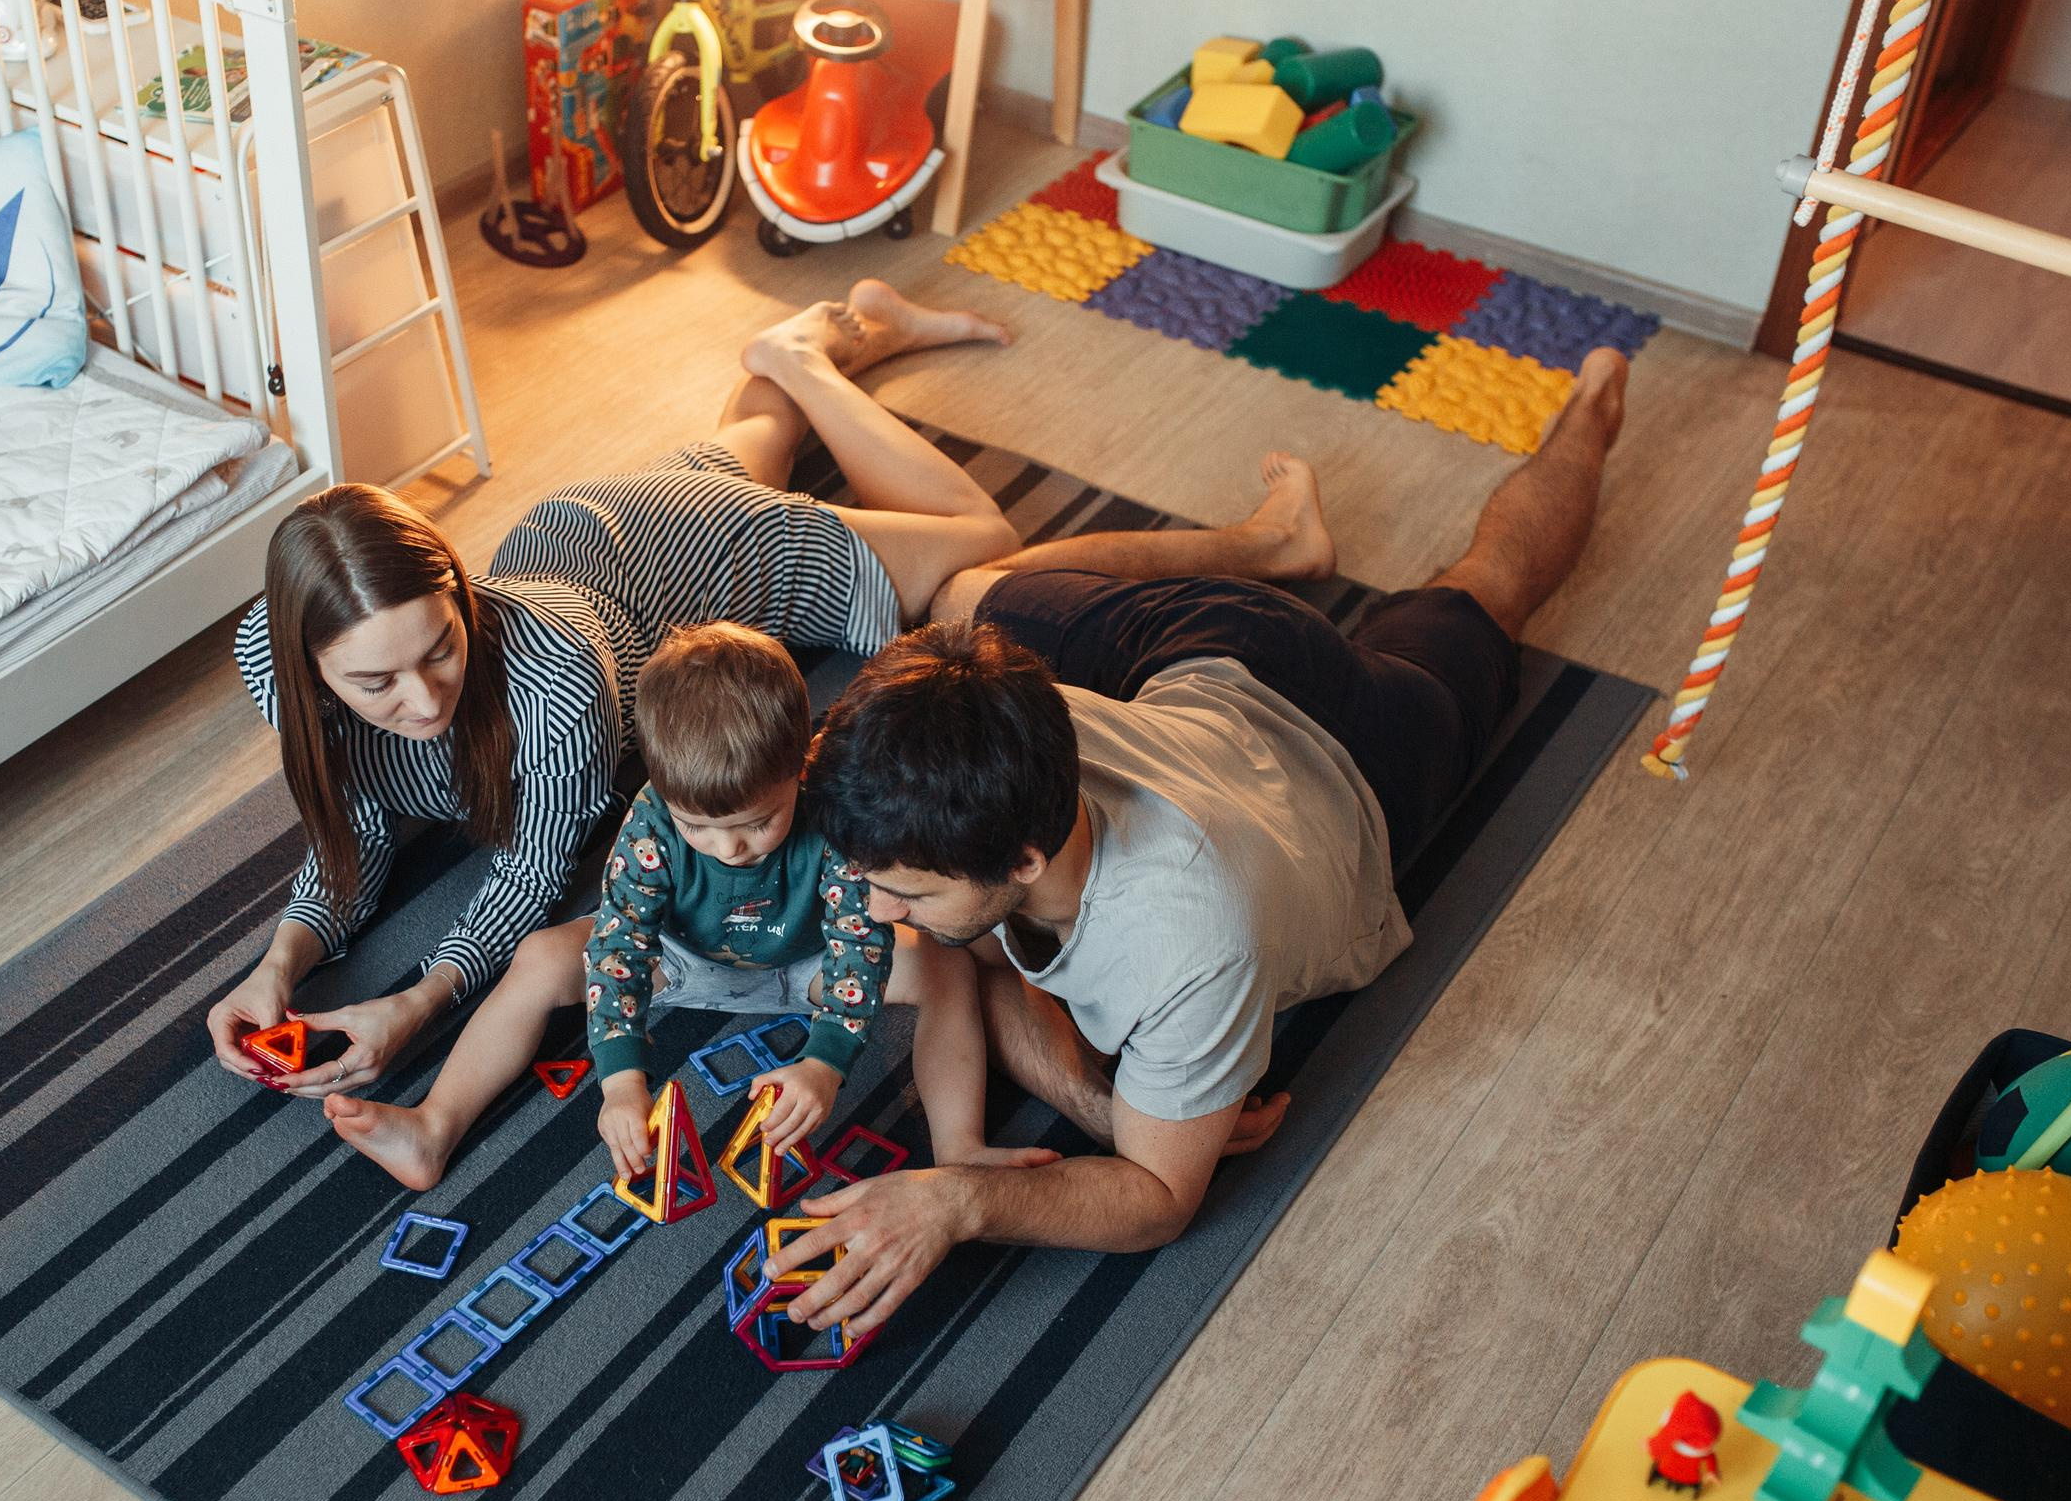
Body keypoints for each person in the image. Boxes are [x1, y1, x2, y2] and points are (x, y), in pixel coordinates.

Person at [208, 280, 1335, 1099]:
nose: (421, 702)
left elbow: (531, 875)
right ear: (308, 666)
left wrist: (419, 1002)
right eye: (374, 681)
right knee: (747, 439)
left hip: (696, 559)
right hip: (594, 536)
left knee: (977, 555)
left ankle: (1269, 543)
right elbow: (353, 823)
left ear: (460, 596)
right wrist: (280, 962)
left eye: (442, 650)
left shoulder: (557, 688)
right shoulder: (269, 653)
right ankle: (802, 351)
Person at [766, 349, 1631, 1340]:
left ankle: (1592, 402)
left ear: (1023, 861)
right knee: (959, 594)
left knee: (1489, 589)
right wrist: (1101, 1106)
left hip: (1362, 757)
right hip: (1210, 654)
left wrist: (958, 1200)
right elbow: (976, 958)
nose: (880, 915)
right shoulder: (968, 741)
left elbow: (1155, 1198)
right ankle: (1274, 541)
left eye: (909, 895)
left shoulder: (1190, 942)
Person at [326, 621, 996, 1191]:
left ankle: (961, 1150)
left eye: (757, 822)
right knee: (541, 956)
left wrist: (825, 1062)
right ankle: (434, 1125)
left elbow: (858, 946)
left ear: (800, 765)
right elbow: (619, 949)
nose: (729, 847)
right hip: (678, 962)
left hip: (807, 967)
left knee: (948, 968)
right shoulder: (649, 822)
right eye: (697, 826)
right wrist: (621, 1082)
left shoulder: (834, 807)